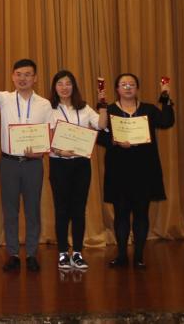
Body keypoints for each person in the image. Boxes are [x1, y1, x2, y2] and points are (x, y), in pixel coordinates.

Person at [0, 47, 54, 272]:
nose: (23, 79)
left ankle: (31, 254)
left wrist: (41, 152)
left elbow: (50, 133)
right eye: (19, 74)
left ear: (35, 78)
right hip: (9, 163)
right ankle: (12, 253)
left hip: (33, 164)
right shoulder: (5, 99)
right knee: (10, 210)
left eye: (28, 75)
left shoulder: (44, 104)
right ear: (13, 77)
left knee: (33, 210)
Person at [100, 73, 175, 269]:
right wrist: (114, 141)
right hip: (118, 170)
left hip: (144, 170)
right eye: (123, 84)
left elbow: (167, 121)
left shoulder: (148, 109)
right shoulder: (109, 110)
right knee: (121, 214)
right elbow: (99, 136)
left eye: (131, 84)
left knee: (141, 214)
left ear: (137, 88)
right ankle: (122, 255)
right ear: (117, 89)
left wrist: (165, 97)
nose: (127, 87)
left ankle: (139, 256)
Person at [47, 70, 107, 271]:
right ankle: (63, 253)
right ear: (55, 87)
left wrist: (103, 104)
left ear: (74, 86)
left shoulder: (84, 108)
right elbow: (44, 136)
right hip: (59, 163)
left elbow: (101, 125)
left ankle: (78, 253)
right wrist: (58, 151)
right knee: (62, 209)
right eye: (60, 83)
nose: (64, 87)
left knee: (79, 210)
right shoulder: (49, 109)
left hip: (81, 164)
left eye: (68, 83)